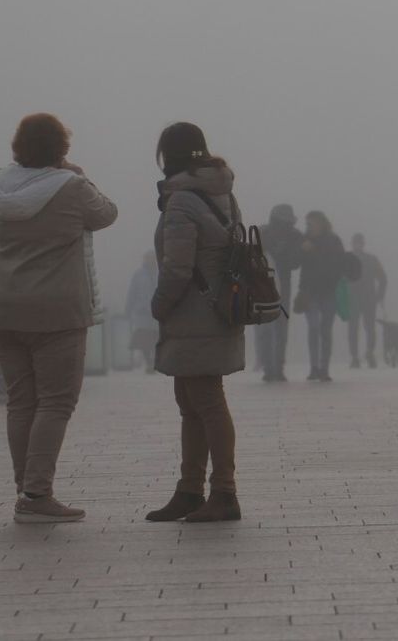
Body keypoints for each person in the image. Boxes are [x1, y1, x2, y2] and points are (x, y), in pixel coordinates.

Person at [0, 113, 119, 523]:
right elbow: (108, 214)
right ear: (61, 148)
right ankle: (37, 495)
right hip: (56, 309)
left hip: (3, 306)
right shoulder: (73, 188)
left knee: (21, 400)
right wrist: (80, 175)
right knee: (56, 401)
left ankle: (26, 488)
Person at [145, 122, 246, 523]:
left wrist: (158, 305)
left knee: (206, 401)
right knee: (192, 403)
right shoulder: (221, 192)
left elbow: (177, 267)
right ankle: (190, 489)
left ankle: (223, 491)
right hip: (215, 309)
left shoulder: (183, 201)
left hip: (193, 312)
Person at [256, 205, 303, 382]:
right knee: (266, 328)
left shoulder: (294, 236)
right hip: (261, 286)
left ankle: (277, 367)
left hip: (280, 286)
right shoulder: (262, 233)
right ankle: (269, 367)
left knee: (278, 328)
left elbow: (295, 263)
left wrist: (283, 253)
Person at [297, 210, 346, 382]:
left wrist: (314, 250)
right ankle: (314, 367)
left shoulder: (333, 241)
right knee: (313, 328)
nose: (309, 226)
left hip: (328, 292)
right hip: (310, 292)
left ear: (321, 223)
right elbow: (298, 265)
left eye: (311, 223)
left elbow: (339, 264)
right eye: (307, 223)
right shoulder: (305, 240)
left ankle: (324, 368)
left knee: (325, 330)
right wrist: (302, 250)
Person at [346, 233, 388, 369]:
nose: (357, 245)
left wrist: (379, 295)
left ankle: (364, 354)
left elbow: (383, 278)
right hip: (360, 299)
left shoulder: (350, 259)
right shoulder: (370, 259)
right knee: (360, 328)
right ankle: (358, 356)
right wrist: (379, 295)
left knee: (364, 328)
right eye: (356, 242)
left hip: (364, 299)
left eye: (359, 242)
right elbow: (383, 278)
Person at [125, 251, 158, 372]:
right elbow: (132, 292)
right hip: (142, 313)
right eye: (148, 258)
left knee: (155, 338)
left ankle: (154, 362)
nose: (150, 260)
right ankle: (149, 363)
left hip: (156, 313)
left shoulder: (160, 273)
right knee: (144, 340)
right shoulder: (138, 274)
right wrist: (128, 309)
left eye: (152, 258)